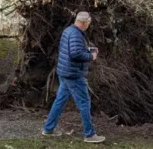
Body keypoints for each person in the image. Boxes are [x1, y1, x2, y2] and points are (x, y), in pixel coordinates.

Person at [41, 11, 105, 143]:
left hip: (65, 72)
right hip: (73, 74)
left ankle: (48, 129)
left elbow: (72, 50)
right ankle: (90, 135)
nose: (88, 25)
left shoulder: (69, 30)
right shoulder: (76, 34)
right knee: (84, 103)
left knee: (60, 101)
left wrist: (88, 49)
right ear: (85, 22)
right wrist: (90, 56)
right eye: (88, 23)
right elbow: (75, 54)